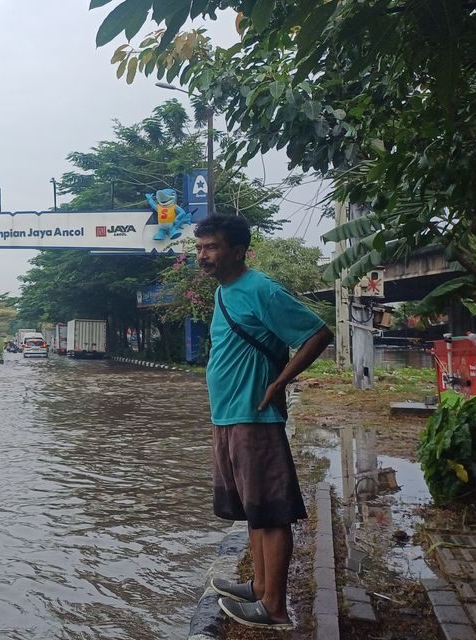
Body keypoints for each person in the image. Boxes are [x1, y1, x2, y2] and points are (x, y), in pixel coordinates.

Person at [196, 216, 333, 631]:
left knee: (271, 512)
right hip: (227, 417)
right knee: (252, 511)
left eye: (212, 247)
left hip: (254, 418)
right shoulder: (225, 293)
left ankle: (274, 608)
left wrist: (280, 381)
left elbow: (317, 334)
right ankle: (258, 585)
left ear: (238, 250)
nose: (203, 255)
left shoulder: (261, 289)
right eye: (200, 248)